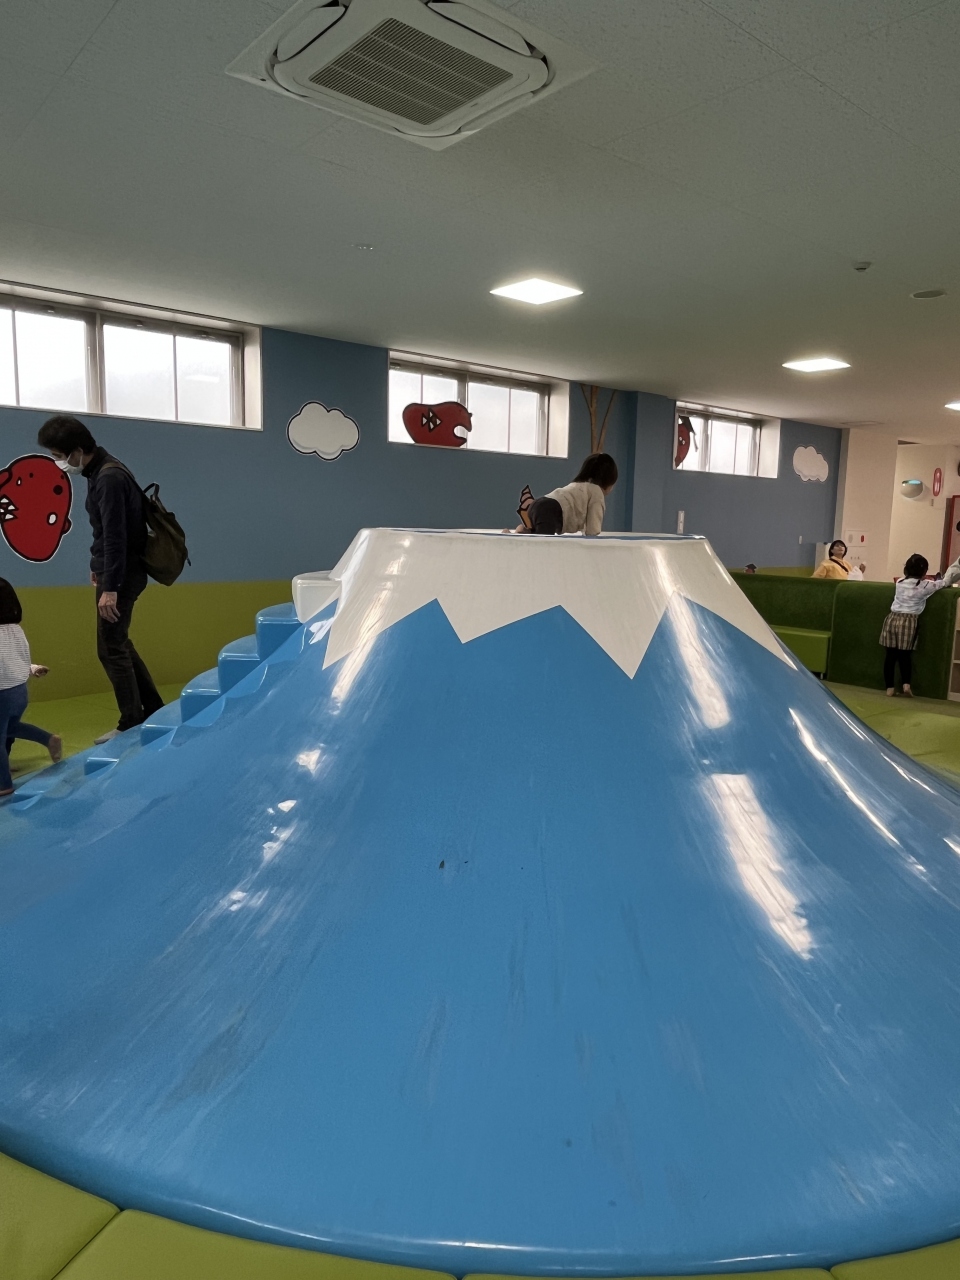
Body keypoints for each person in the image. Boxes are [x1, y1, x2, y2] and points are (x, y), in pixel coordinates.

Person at [37, 416, 163, 741]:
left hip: (121, 576)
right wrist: (98, 564)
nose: (58, 462)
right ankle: (152, 708)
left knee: (110, 648)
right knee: (118, 643)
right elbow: (104, 532)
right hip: (117, 570)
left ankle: (131, 721)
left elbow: (117, 537)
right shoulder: (100, 471)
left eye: (59, 455)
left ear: (78, 451)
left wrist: (111, 588)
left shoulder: (108, 478)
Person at [0, 578, 61, 797]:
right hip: (19, 692)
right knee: (10, 728)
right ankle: (48, 739)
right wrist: (33, 668)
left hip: (2, 692)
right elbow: (18, 659)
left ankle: (3, 783)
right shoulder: (16, 630)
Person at [880, 553, 946, 697]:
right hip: (909, 621)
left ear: (906, 569)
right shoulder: (926, 585)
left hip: (892, 618)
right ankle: (906, 685)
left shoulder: (900, 582)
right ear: (924, 571)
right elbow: (943, 583)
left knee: (890, 656)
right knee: (905, 655)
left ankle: (889, 688)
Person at [515, 453, 619, 536]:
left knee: (537, 539)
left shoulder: (578, 485)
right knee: (544, 546)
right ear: (609, 481)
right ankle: (518, 534)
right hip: (550, 510)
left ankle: (523, 532)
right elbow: (593, 529)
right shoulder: (596, 492)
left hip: (538, 504)